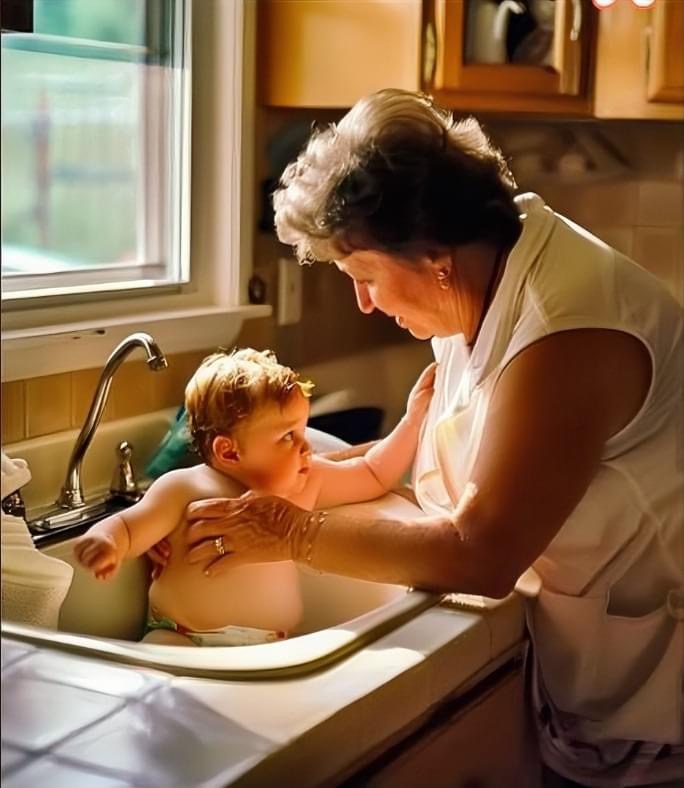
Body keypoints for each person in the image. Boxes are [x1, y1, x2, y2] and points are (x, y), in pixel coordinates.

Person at [179, 90, 684, 785]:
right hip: (588, 668)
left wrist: (292, 532)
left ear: (433, 257)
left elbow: (481, 553)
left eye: (364, 276)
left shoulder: (570, 331)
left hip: (657, 702)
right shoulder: (482, 278)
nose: (364, 302)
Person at [74, 347, 435, 647]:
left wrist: (413, 419)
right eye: (288, 436)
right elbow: (128, 526)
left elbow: (373, 472)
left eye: (302, 429)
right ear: (229, 453)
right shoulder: (185, 488)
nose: (306, 446)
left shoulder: (306, 483)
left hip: (269, 646)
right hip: (183, 639)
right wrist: (106, 543)